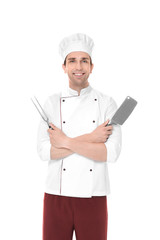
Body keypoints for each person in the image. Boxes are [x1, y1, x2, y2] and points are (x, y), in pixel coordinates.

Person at [37, 33, 122, 240]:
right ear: (64, 66)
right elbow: (44, 151)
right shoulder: (51, 102)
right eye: (72, 61)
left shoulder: (107, 103)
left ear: (92, 67)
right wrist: (93, 137)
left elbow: (110, 153)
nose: (78, 67)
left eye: (84, 61)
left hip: (94, 195)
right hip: (56, 194)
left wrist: (64, 141)